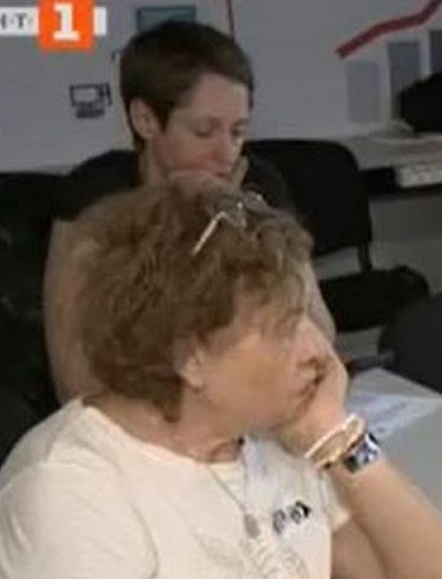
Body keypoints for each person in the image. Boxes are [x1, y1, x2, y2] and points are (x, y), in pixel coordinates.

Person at [0, 186, 442, 579]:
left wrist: (339, 436)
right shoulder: (69, 492)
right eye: (285, 329)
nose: (318, 351)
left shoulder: (275, 439)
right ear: (191, 356)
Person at [44, 20, 334, 404]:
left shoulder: (257, 186)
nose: (226, 153)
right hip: (132, 417)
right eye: (203, 131)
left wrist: (238, 223)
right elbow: (75, 379)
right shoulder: (92, 198)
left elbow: (319, 335)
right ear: (146, 120)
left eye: (238, 131)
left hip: (240, 408)